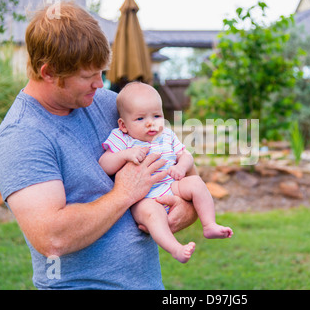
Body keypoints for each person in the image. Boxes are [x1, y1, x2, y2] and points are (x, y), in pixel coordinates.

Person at [0, 1, 196, 289]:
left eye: (101, 72)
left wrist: (186, 210)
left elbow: (185, 167)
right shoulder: (22, 136)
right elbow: (52, 238)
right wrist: (125, 192)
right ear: (48, 72)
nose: (100, 85)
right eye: (88, 77)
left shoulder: (113, 105)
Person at [99, 82, 233, 263]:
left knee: (196, 183)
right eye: (140, 119)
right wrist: (125, 154)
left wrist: (181, 167)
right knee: (152, 213)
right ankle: (175, 248)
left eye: (156, 116)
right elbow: (104, 163)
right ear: (123, 125)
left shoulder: (167, 136)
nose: (150, 123)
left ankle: (209, 224)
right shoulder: (122, 138)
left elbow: (186, 156)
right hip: (144, 198)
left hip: (171, 186)